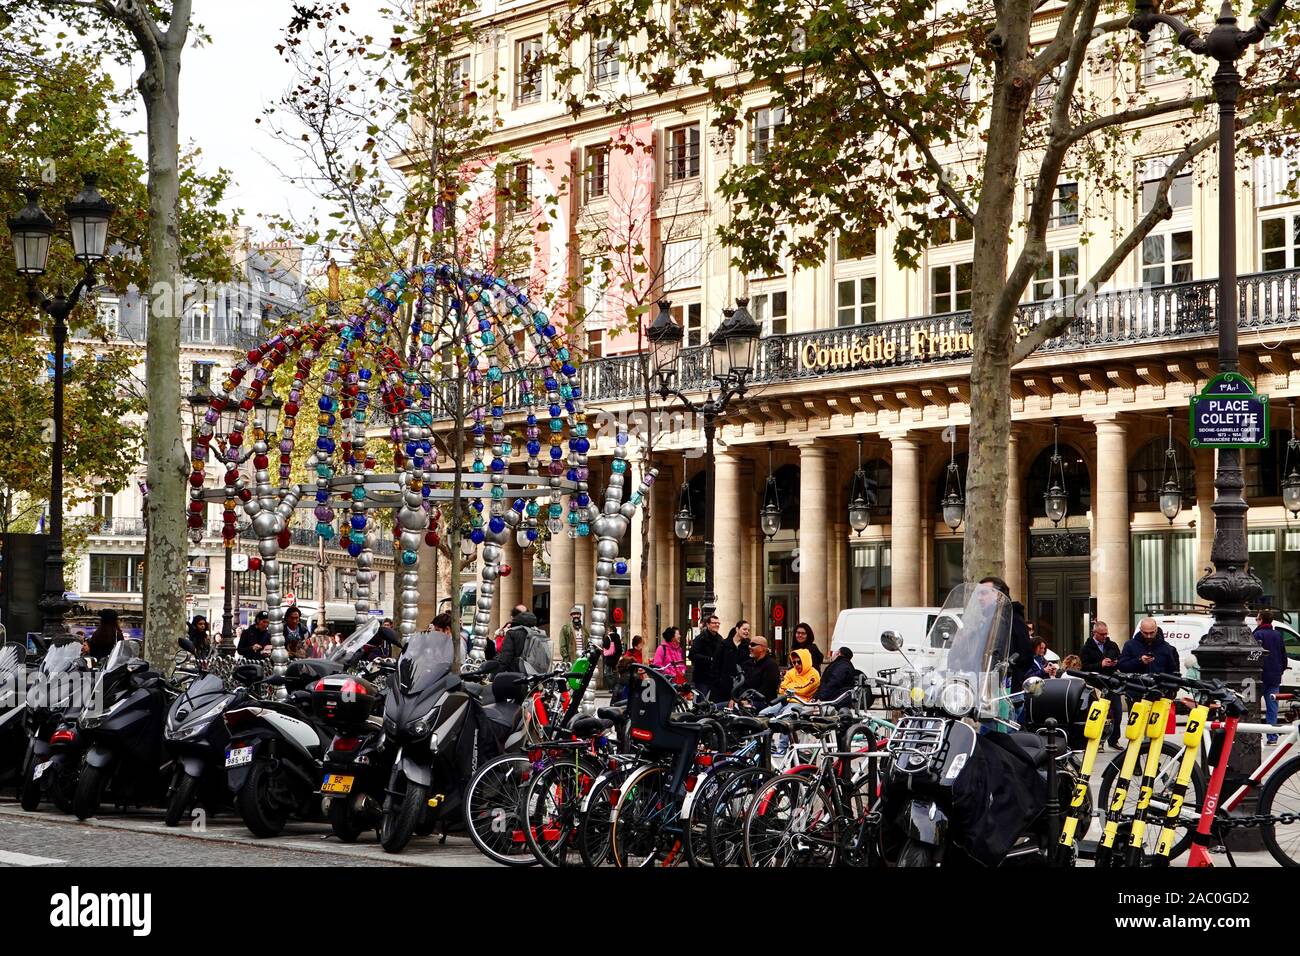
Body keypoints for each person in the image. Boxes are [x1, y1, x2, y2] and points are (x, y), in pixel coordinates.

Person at [981, 576, 1030, 689]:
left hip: (1006, 691)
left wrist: (1012, 677)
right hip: (985, 686)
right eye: (978, 593)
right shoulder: (987, 621)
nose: (979, 597)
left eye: (984, 593)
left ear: (998, 595)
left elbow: (1025, 656)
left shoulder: (1013, 619)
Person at [1080, 620, 1123, 746]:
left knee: (1117, 712)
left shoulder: (1112, 645)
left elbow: (1120, 659)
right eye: (1102, 634)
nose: (1105, 636)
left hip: (1111, 683)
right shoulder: (1087, 648)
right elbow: (1084, 668)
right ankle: (1097, 741)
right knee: (1098, 713)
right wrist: (1100, 665)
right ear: (1094, 633)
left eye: (1106, 634)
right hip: (1096, 684)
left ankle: (1114, 739)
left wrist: (1115, 663)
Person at [1255, 610, 1288, 743]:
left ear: (1261, 620)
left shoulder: (1257, 634)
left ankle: (1254, 736)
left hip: (1259, 677)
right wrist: (1280, 670)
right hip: (1274, 676)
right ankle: (1272, 736)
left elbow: (1253, 656)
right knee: (1272, 708)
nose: (1257, 621)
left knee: (1253, 707)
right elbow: (1283, 655)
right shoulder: (1277, 635)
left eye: (1257, 619)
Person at [480, 604, 534, 675]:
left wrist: (493, 676)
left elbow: (504, 660)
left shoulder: (512, 633)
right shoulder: (537, 632)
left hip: (516, 676)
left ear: (512, 618)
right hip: (535, 676)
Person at [735, 635, 781, 704]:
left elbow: (767, 689)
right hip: (742, 701)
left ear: (762, 648)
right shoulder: (746, 664)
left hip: (763, 703)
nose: (749, 647)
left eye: (753, 644)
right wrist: (735, 698)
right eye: (749, 644)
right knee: (717, 708)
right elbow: (740, 684)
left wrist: (748, 700)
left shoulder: (771, 665)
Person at [714, 620, 752, 702]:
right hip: (724, 684)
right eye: (744, 629)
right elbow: (716, 664)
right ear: (737, 629)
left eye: (748, 630)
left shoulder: (749, 645)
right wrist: (718, 681)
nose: (747, 632)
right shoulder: (724, 644)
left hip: (742, 683)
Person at [689, 614, 722, 700]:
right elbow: (692, 655)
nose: (717, 625)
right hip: (702, 677)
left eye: (718, 623)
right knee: (700, 702)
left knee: (714, 702)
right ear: (708, 624)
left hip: (715, 677)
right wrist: (709, 659)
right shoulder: (700, 639)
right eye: (714, 623)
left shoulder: (720, 639)